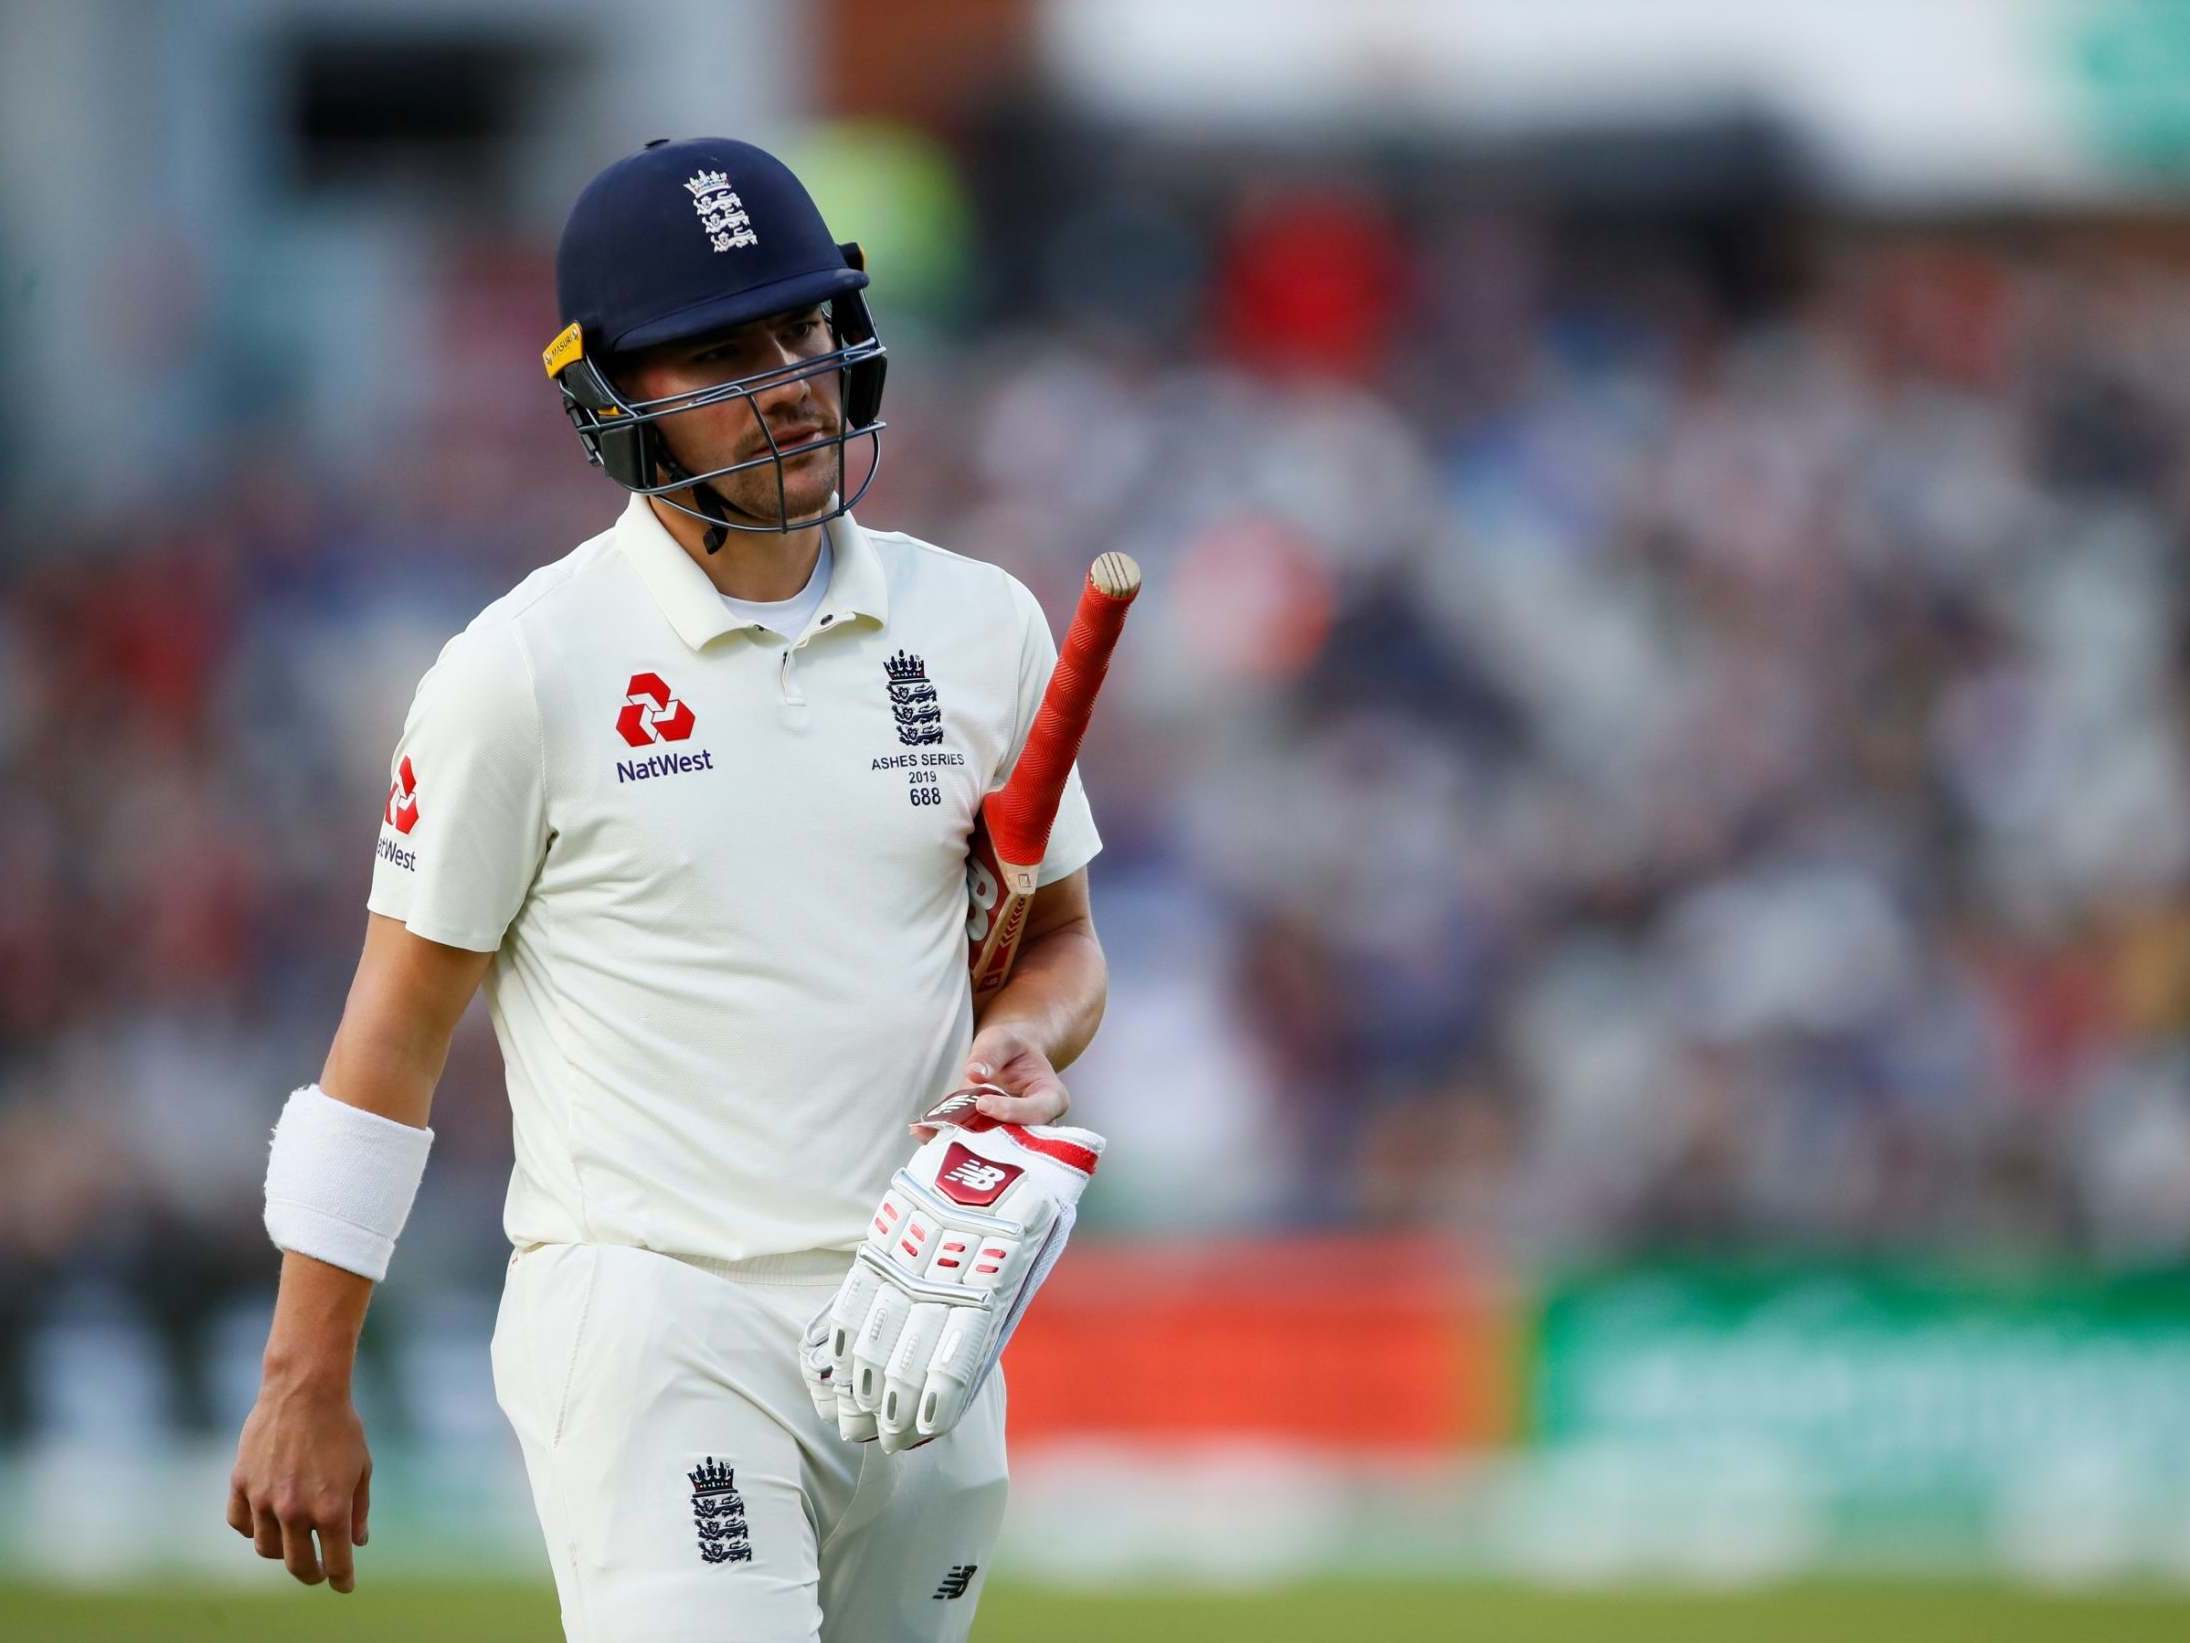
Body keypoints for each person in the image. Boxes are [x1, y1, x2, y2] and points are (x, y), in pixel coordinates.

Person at [225, 136, 1108, 1643]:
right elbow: (387, 1044)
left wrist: (1032, 1032)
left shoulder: (979, 628)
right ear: (614, 399)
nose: (786, 378)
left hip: (916, 1318)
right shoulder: (524, 671)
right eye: (721, 351)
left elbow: (1064, 947)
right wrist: (304, 1377)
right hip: (656, 1320)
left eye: (806, 327)